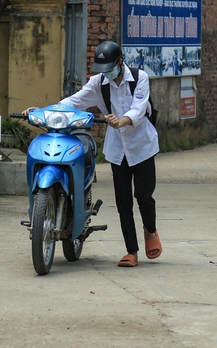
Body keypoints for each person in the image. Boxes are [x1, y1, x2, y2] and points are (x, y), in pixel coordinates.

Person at [23, 40, 161, 268]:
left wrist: (121, 120)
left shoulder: (140, 78)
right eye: (102, 70)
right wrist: (41, 111)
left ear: (119, 62)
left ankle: (150, 229)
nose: (105, 74)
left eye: (109, 69)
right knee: (123, 202)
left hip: (142, 146)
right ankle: (132, 252)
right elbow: (72, 102)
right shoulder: (98, 83)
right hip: (118, 150)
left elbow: (138, 109)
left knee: (144, 197)